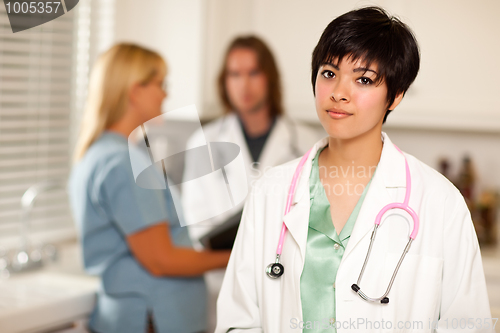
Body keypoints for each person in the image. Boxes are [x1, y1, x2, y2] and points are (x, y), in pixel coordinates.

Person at [215, 6, 493, 333]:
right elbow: (238, 320)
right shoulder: (270, 192)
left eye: (363, 79)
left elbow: (467, 326)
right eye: (329, 73)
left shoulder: (440, 202)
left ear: (396, 95)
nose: (338, 93)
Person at [68, 43, 230, 333]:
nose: (165, 93)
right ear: (135, 90)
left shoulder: (99, 153)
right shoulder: (123, 162)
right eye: (160, 83)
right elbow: (160, 259)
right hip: (153, 317)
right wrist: (235, 256)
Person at [182, 35, 322, 331]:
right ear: (224, 81)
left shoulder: (308, 143)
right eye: (234, 74)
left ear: (269, 77)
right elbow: (197, 227)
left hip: (286, 287)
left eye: (253, 73)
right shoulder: (202, 143)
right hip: (220, 288)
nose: (243, 84)